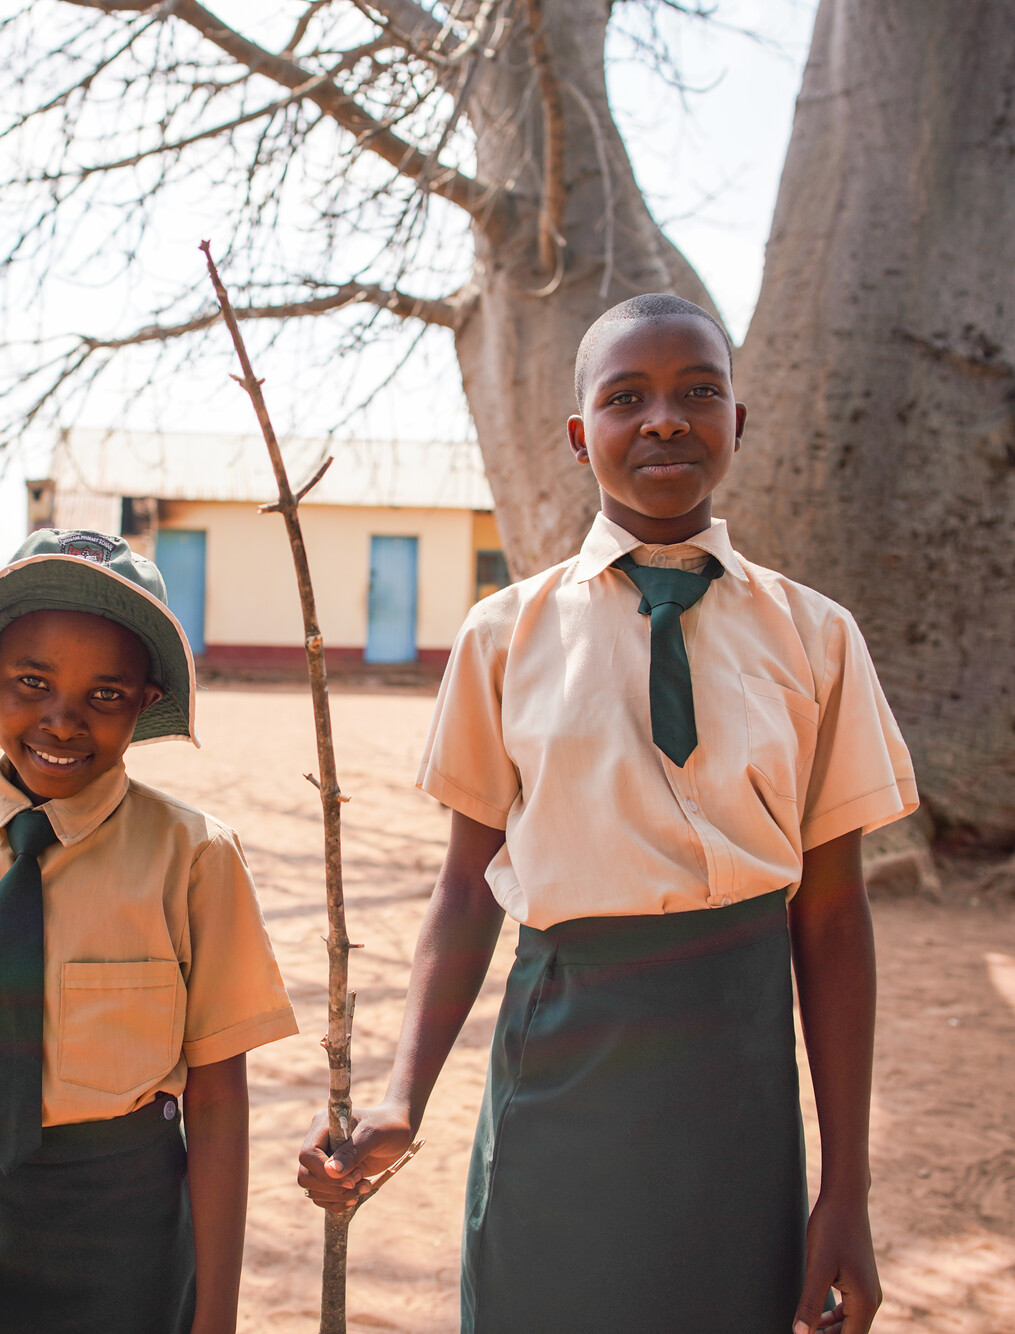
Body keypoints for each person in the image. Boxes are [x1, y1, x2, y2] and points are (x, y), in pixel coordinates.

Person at [297, 295, 917, 1334]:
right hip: (560, 1057)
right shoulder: (504, 635)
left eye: (697, 392)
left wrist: (843, 1187)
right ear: (581, 436)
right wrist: (402, 1095)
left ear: (737, 421)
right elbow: (464, 887)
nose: (664, 418)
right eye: (626, 396)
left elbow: (831, 915)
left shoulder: (814, 636)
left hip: (736, 1071)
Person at [0, 529, 296, 1334]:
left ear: (144, 702)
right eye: (33, 682)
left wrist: (215, 1319)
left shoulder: (193, 857)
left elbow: (215, 1100)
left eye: (106, 694)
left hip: (127, 1234)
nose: (63, 721)